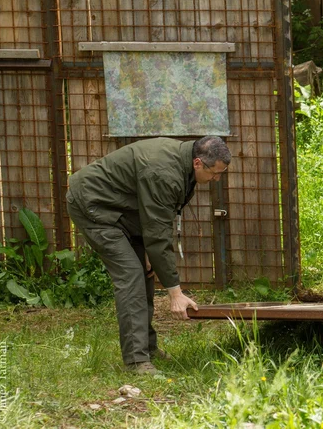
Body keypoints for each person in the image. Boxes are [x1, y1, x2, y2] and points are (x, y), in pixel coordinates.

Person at [66, 136, 231, 374]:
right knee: (131, 275)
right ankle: (136, 361)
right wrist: (175, 293)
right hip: (93, 206)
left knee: (144, 273)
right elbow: (158, 235)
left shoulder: (183, 167)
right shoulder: (164, 173)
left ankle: (147, 348)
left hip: (122, 210)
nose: (216, 179)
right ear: (198, 162)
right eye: (214, 173)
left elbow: (155, 217)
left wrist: (148, 254)